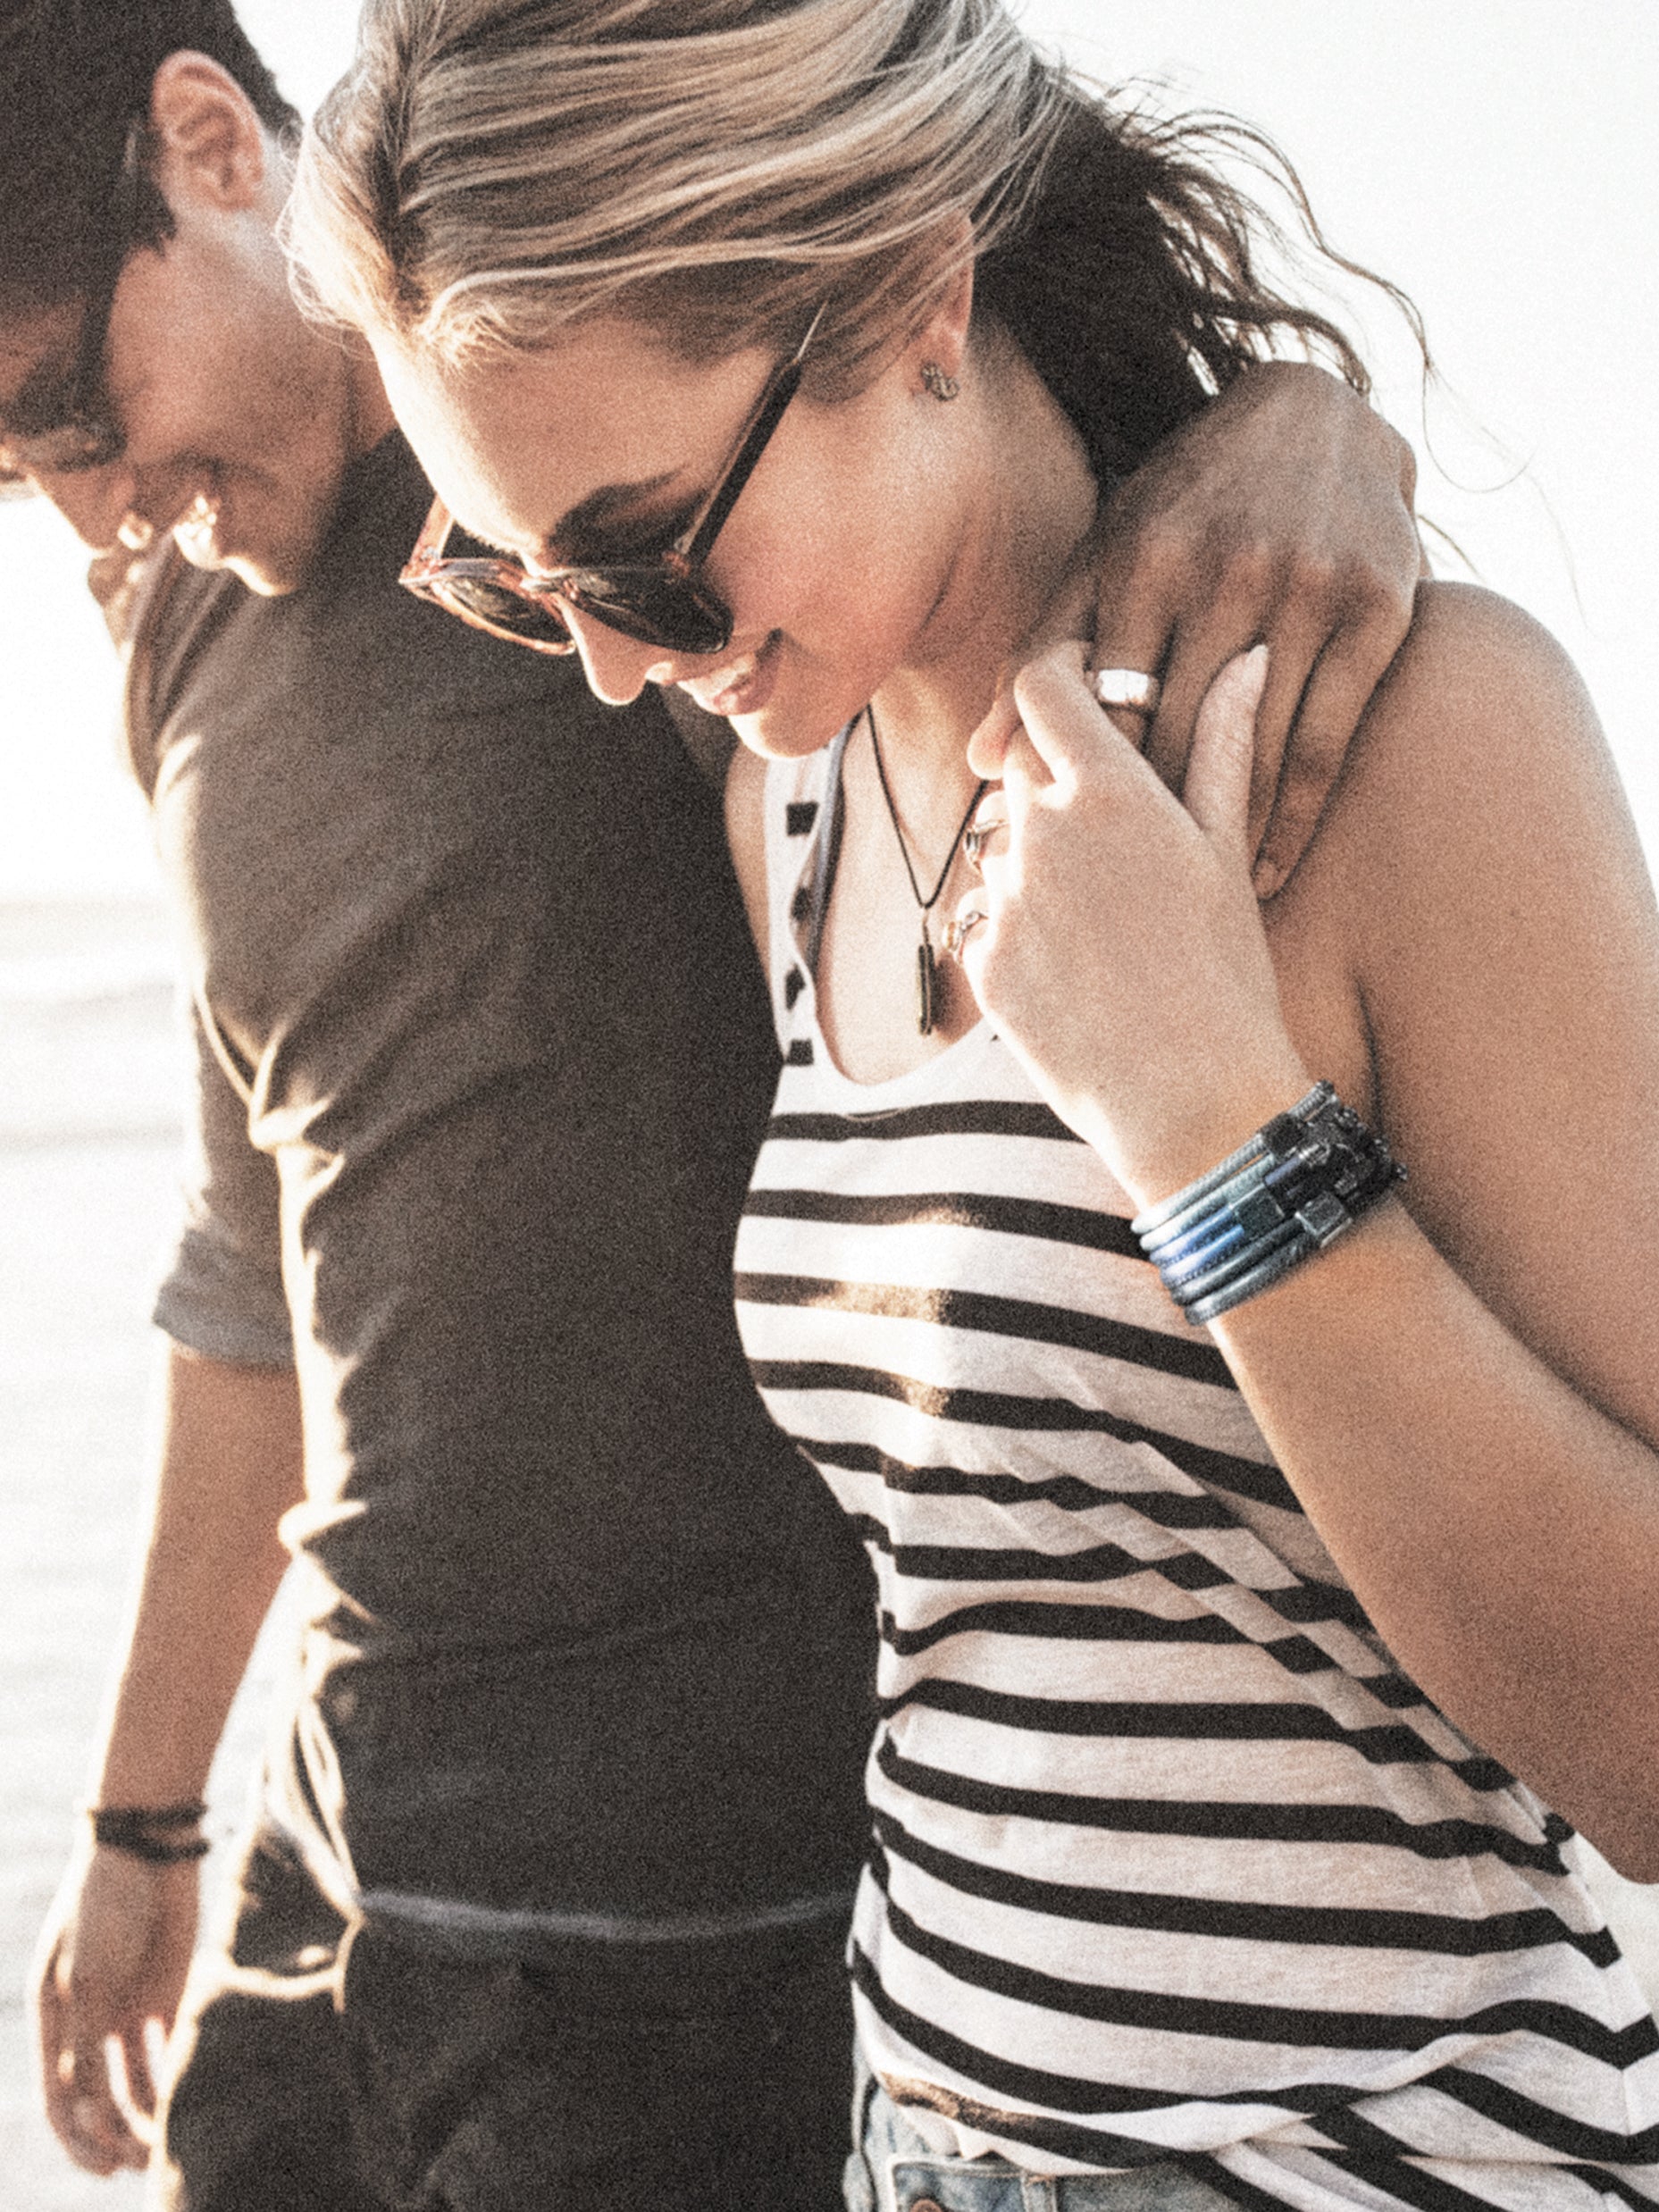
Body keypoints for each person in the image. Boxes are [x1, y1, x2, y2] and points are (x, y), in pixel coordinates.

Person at [2, 5, 1426, 2208]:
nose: (95, 509)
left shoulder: (674, 561)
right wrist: (140, 1816)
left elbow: (957, 511)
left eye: (72, 411)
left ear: (206, 141)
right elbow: (250, 1258)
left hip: (694, 1922)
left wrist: (1295, 418)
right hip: (338, 1840)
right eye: (22, 476)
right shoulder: (189, 649)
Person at [288, 0, 1659, 2206]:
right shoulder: (792, 806)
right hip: (920, 2135)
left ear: (915, 291)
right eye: (520, 587)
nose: (622, 661)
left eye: (640, 551)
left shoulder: (1405, 743)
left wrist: (1210, 1129)